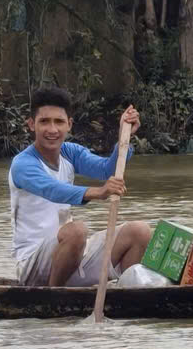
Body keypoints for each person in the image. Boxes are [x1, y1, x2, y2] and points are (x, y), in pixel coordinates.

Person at [10, 85, 154, 288]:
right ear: (32, 124)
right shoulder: (22, 164)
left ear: (69, 124)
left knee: (140, 231)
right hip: (33, 264)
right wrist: (99, 192)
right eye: (44, 121)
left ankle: (125, 295)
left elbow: (107, 169)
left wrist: (125, 135)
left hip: (72, 256)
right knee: (77, 231)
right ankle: (54, 298)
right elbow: (53, 190)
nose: (52, 129)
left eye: (59, 122)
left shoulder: (70, 152)